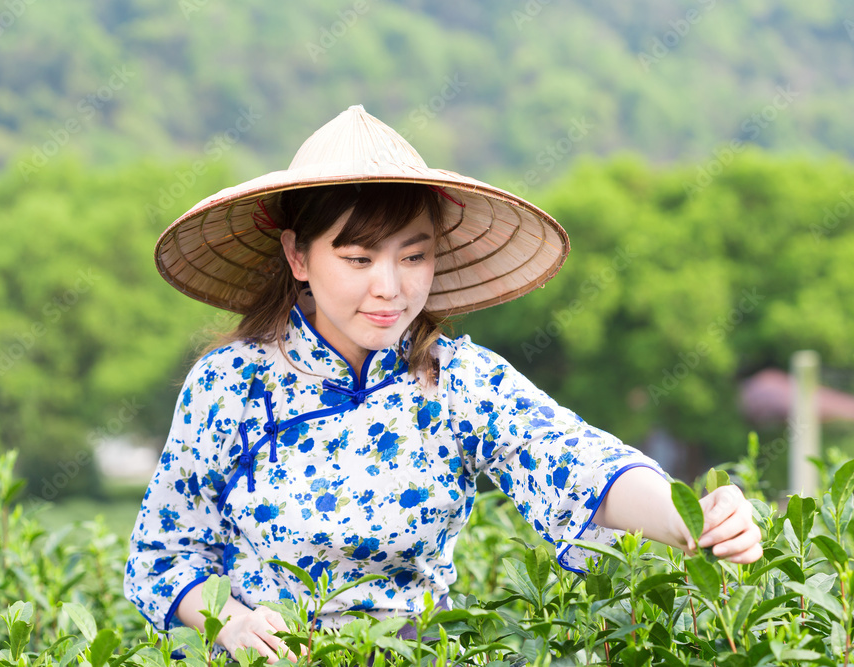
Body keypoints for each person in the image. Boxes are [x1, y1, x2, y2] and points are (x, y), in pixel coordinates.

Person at [124, 105, 762, 662]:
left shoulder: (457, 379)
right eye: (358, 258)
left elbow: (572, 460)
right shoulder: (232, 382)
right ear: (298, 256)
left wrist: (690, 519)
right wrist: (233, 625)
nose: (390, 287)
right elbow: (165, 552)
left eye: (414, 255)